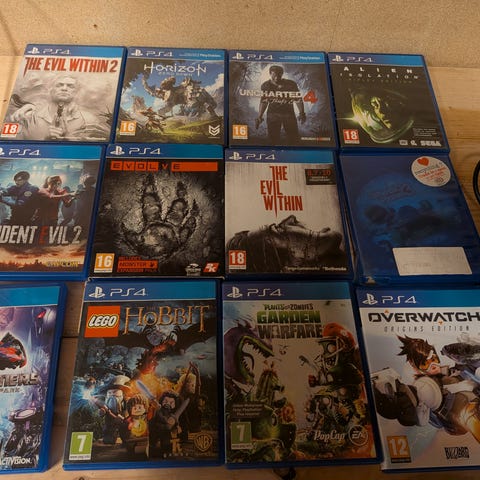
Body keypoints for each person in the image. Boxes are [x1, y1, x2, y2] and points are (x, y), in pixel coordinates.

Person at [9, 74, 107, 141]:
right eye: (59, 85)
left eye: (70, 86)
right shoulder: (28, 116)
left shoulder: (89, 120)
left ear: (76, 91)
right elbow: (10, 144)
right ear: (50, 89)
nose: (64, 88)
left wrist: (68, 138)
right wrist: (44, 140)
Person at [255, 65, 306, 144]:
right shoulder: (266, 85)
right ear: (270, 74)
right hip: (273, 114)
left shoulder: (290, 84)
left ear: (282, 74)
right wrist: (259, 116)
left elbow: (297, 99)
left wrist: (302, 113)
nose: (276, 78)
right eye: (274, 75)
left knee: (293, 139)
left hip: (288, 114)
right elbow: (264, 101)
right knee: (273, 140)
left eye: (279, 75)